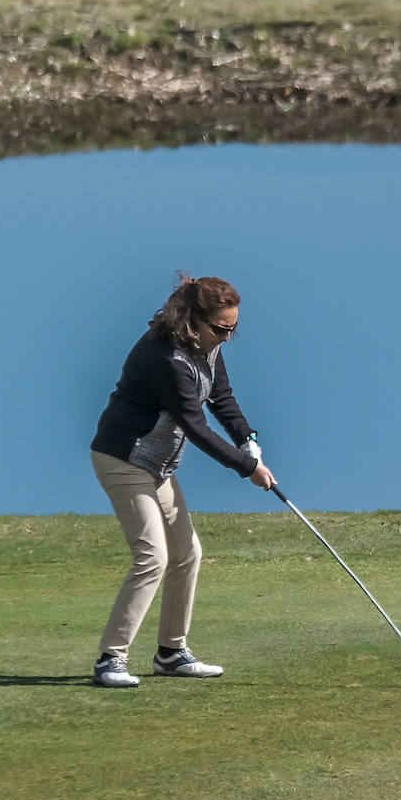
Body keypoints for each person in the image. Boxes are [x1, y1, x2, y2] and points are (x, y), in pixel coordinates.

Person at [89, 274, 277, 688]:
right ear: (195, 319)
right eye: (221, 329)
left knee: (187, 553)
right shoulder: (166, 357)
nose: (227, 338)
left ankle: (171, 653)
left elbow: (222, 398)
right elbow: (195, 426)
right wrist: (247, 469)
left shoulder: (207, 345)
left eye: (233, 329)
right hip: (122, 458)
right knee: (152, 555)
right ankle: (110, 659)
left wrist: (248, 440)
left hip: (157, 466)